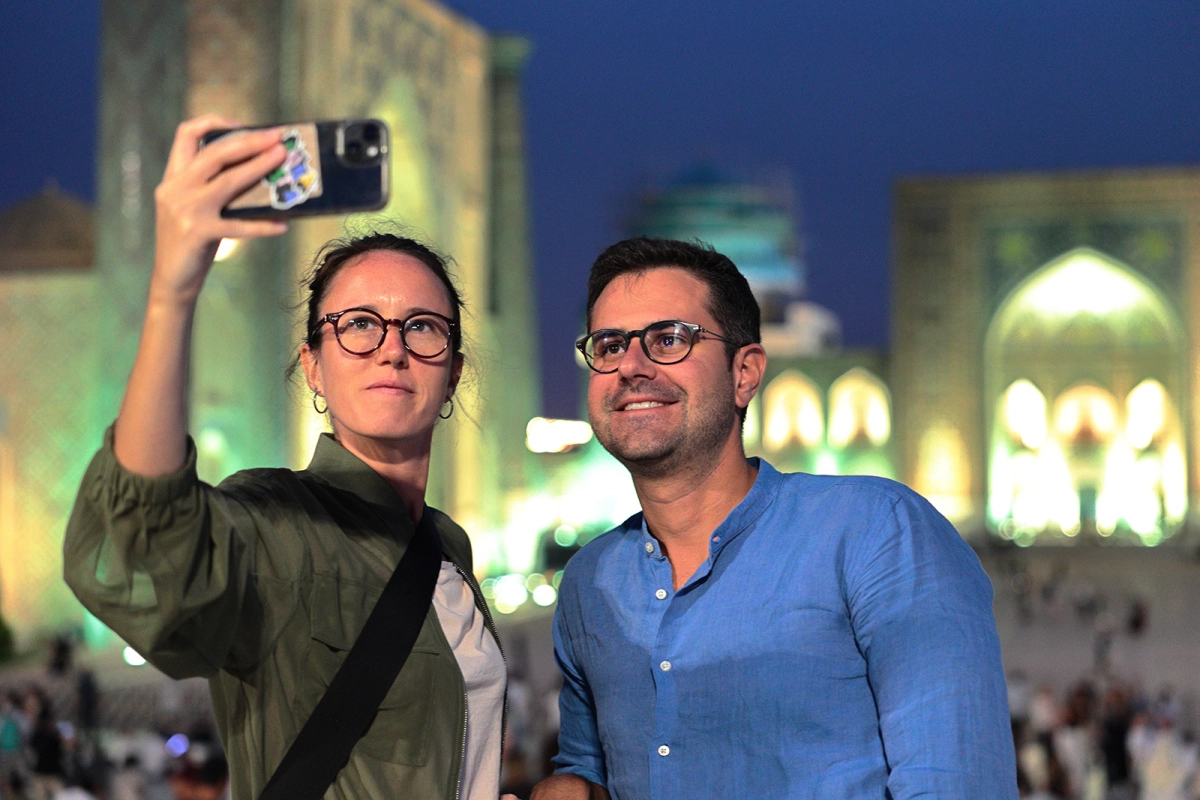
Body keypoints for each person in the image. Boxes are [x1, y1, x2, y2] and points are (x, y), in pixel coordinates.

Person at [63, 115, 507, 799]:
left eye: (422, 326)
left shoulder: (448, 550)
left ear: (452, 370)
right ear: (314, 366)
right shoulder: (276, 526)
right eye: (358, 325)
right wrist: (171, 293)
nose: (393, 347)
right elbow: (142, 552)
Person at [530, 238, 1017, 799]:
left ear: (745, 374)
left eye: (669, 339)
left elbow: (953, 783)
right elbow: (588, 767)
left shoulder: (875, 534)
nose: (632, 366)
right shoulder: (590, 582)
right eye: (610, 345)